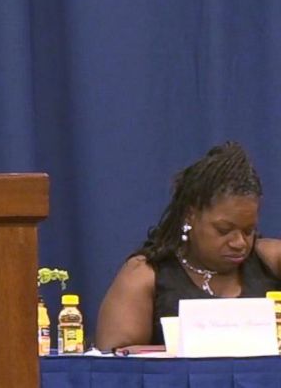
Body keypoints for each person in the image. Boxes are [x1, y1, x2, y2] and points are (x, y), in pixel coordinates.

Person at [95, 141, 281, 351]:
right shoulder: (146, 275)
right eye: (224, 230)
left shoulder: (271, 260)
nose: (239, 243)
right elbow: (113, 361)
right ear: (190, 215)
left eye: (249, 231)